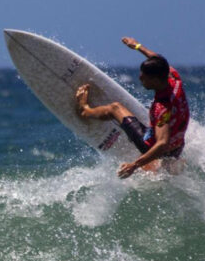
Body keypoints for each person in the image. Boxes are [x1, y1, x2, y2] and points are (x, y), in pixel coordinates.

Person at [74, 36, 190, 178]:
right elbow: (158, 59)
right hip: (177, 148)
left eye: (144, 77)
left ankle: (85, 110)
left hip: (156, 148)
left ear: (155, 79)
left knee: (115, 108)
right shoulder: (174, 78)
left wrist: (134, 165)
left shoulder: (162, 109)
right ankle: (156, 166)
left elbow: (162, 144)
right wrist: (136, 46)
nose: (140, 78)